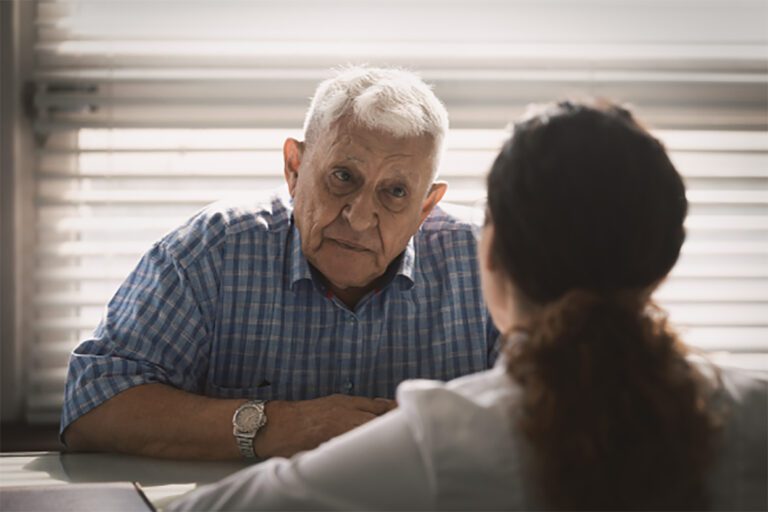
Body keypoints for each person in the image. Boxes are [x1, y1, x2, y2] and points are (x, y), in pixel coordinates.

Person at [167, 101, 768, 511]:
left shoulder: (446, 441)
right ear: (663, 264)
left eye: (395, 192)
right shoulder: (754, 417)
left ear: (493, 251)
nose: (361, 216)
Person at [60, 66, 500, 460]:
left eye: (396, 192)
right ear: (294, 167)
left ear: (425, 207)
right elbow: (92, 404)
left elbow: (554, 409)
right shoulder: (213, 249)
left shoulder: (490, 262)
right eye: (343, 177)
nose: (360, 217)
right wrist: (274, 425)